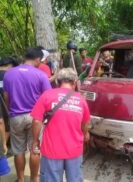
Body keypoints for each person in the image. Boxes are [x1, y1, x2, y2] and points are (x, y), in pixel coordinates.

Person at [31, 68, 90, 182]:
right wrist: (86, 133)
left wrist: (35, 141)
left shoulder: (47, 95)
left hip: (51, 150)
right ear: (74, 82)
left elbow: (37, 121)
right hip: (74, 150)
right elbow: (85, 123)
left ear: (58, 82)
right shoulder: (81, 99)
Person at [3, 48, 51, 182]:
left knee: (18, 150)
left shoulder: (9, 74)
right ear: (37, 59)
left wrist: (11, 111)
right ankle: (34, 179)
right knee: (35, 149)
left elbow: (7, 96)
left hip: (15, 116)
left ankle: (20, 179)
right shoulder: (40, 74)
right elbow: (48, 97)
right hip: (35, 118)